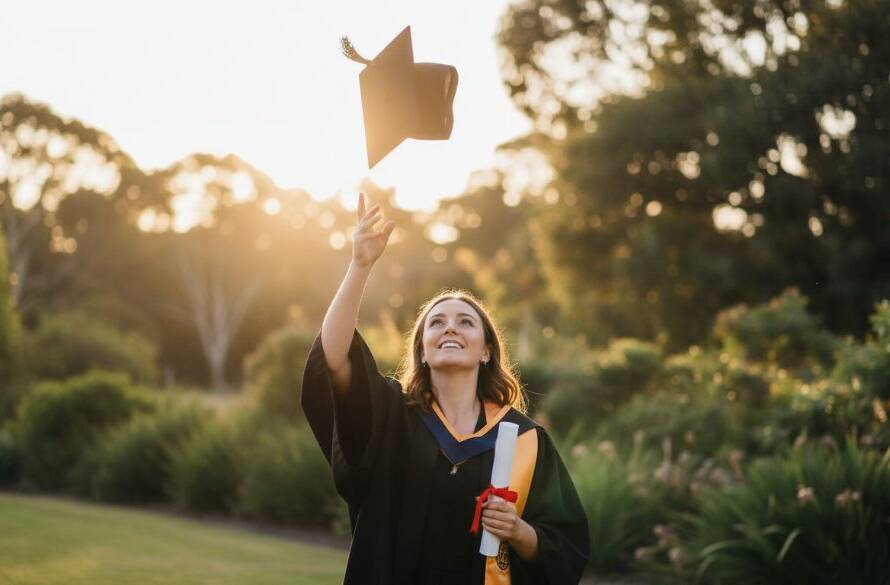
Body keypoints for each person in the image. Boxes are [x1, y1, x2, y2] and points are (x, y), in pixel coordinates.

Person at [301, 194, 589, 585]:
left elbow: (566, 546)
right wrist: (359, 265)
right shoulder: (390, 416)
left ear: (487, 350)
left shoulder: (525, 441)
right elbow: (334, 358)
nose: (450, 327)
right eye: (436, 322)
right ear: (421, 349)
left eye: (465, 322)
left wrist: (519, 531)